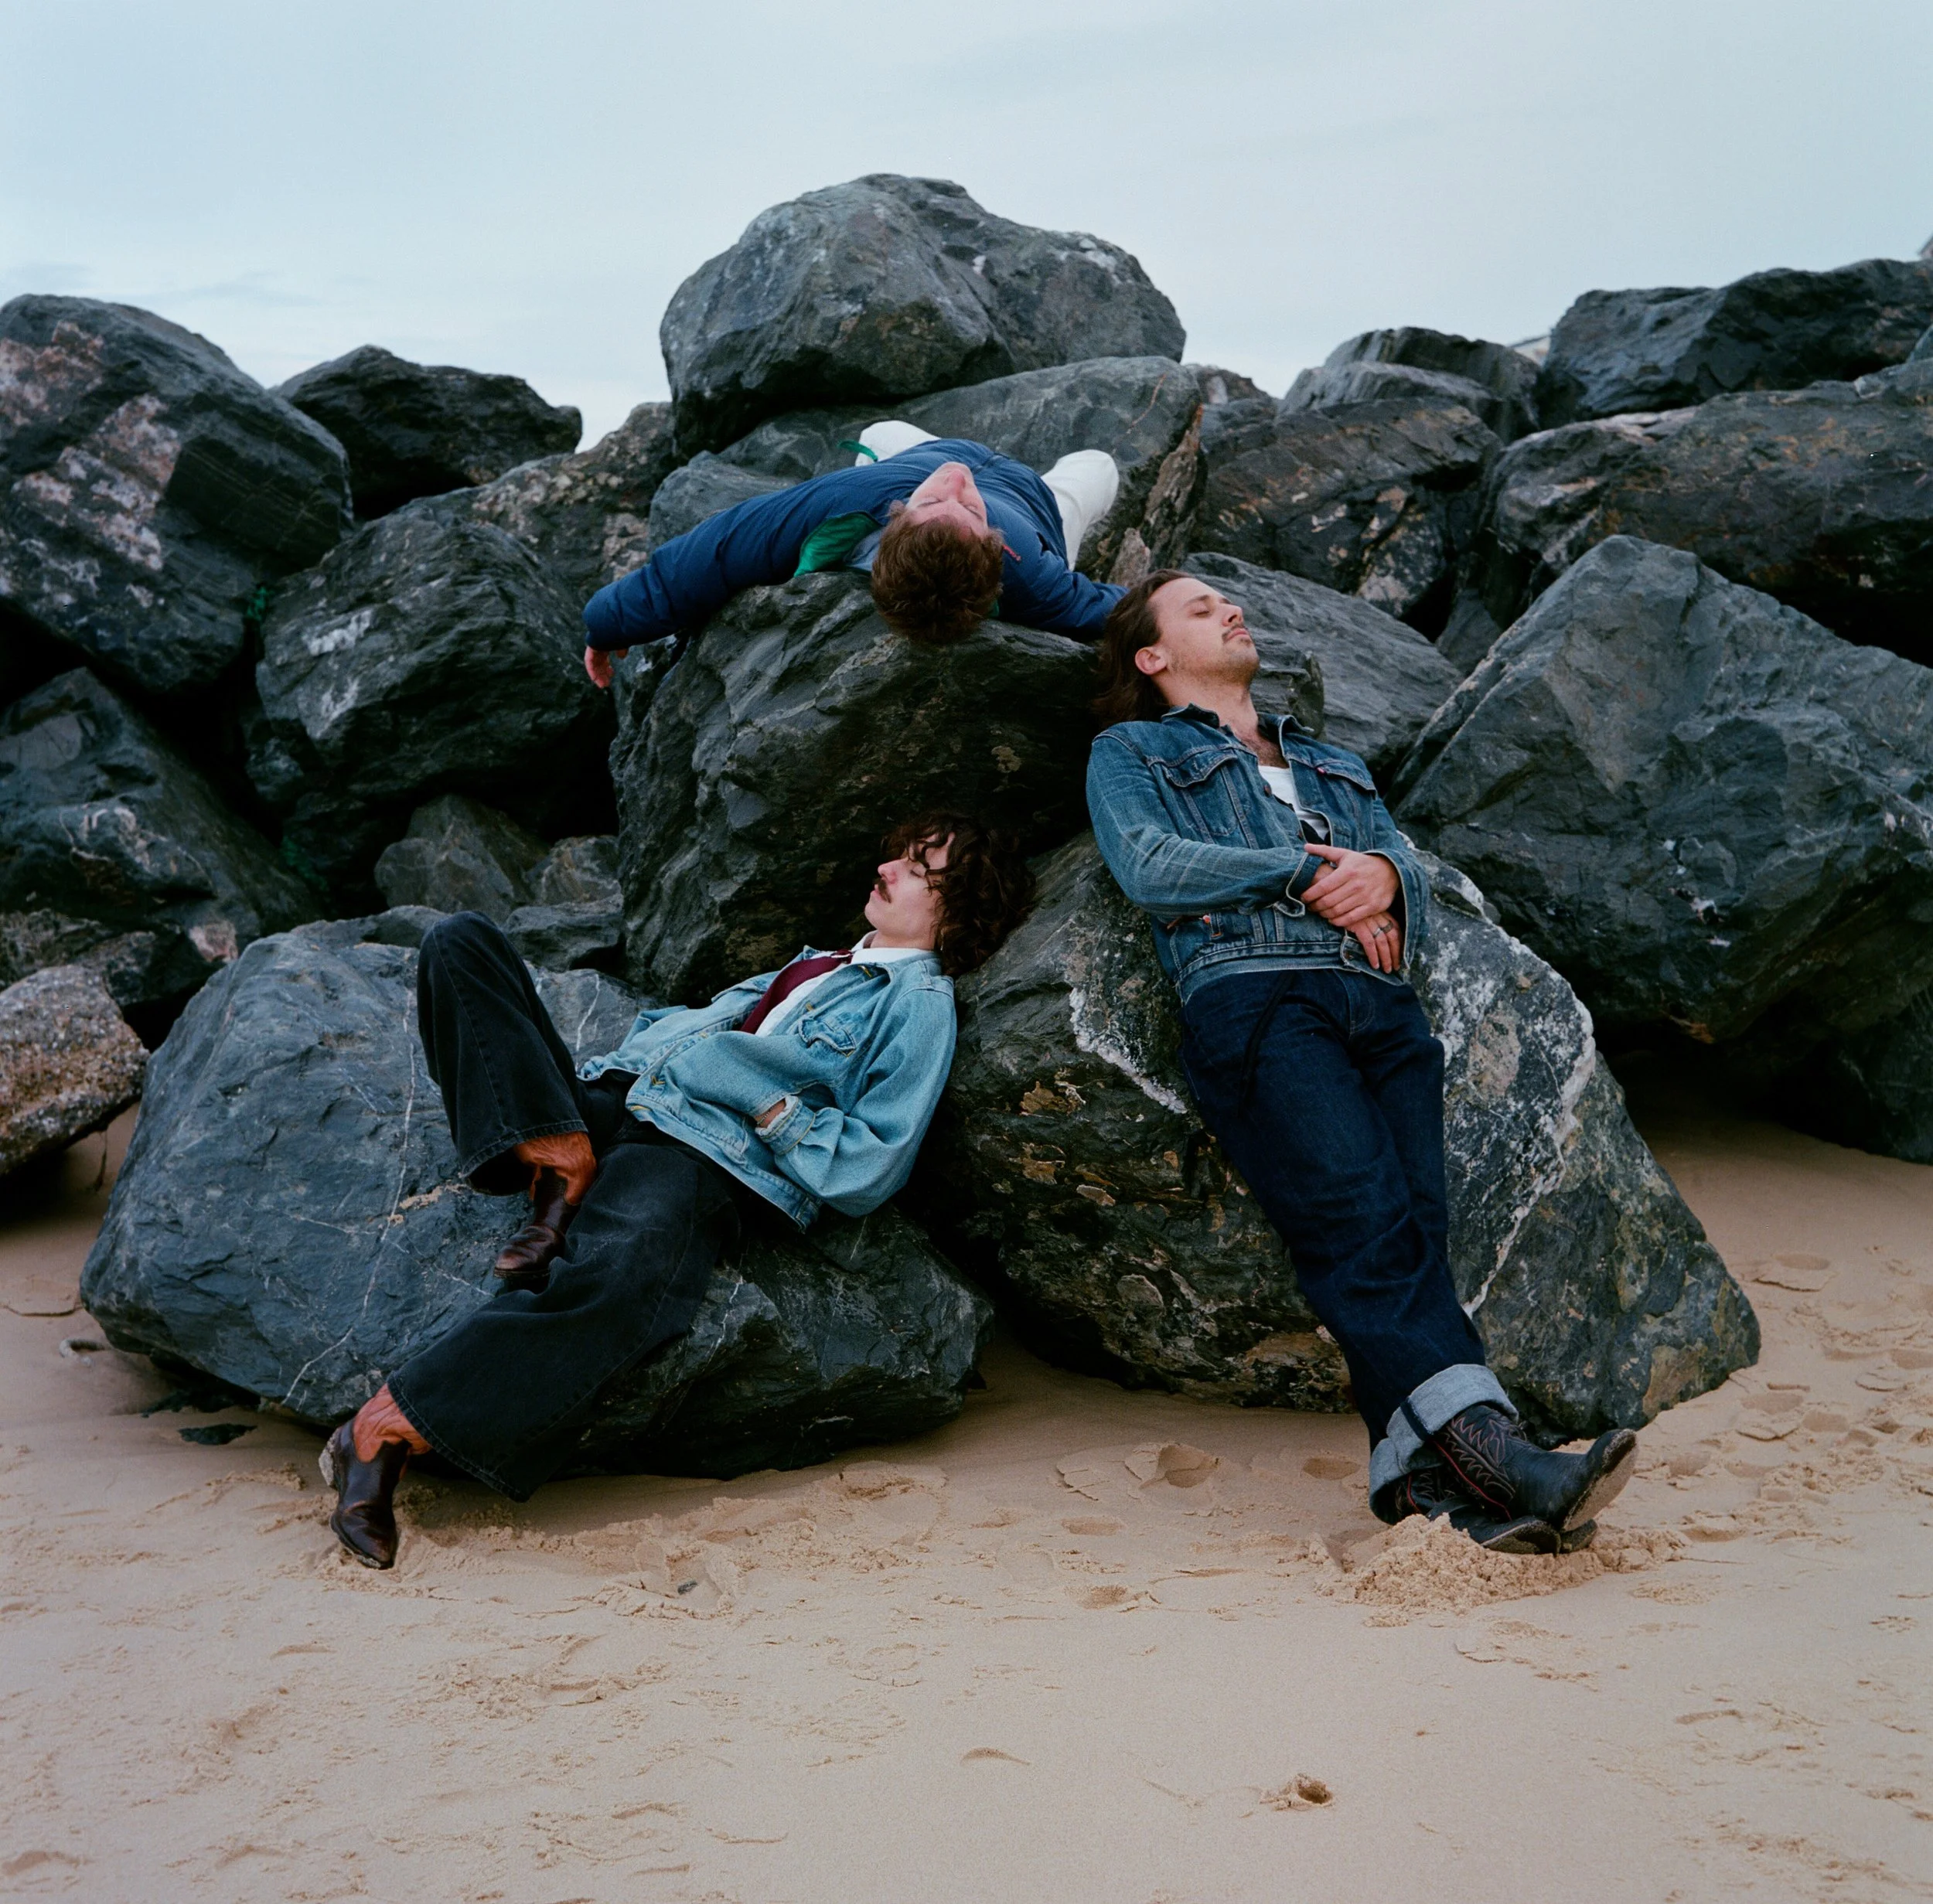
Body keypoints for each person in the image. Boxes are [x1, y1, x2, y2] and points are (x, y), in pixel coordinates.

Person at [1084, 570, 1639, 1552]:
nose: (1229, 610)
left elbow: (1401, 874)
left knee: (1414, 1236)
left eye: (1229, 599)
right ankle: (1502, 1454)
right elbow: (1147, 864)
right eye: (1201, 608)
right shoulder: (1133, 750)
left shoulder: (1332, 761)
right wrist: (1302, 872)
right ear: (1152, 657)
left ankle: (1429, 1493)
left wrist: (1385, 877)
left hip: (1381, 1009)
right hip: (1257, 996)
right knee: (1360, 1230)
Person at [321, 811, 1034, 1570]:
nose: (888, 869)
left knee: (618, 1282)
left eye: (921, 872)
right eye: (899, 855)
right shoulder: (818, 963)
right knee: (462, 942)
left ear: (956, 911)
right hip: (623, 1102)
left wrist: (772, 1109)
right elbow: (671, 1037)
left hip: (700, 1155)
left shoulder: (917, 1005)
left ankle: (387, 1427)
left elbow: (871, 1166)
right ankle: (559, 1156)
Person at [580, 424, 1123, 683]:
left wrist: (606, 621)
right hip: (1026, 497)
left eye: (942, 501)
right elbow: (1111, 607)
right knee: (1097, 464)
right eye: (961, 506)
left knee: (881, 432)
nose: (957, 486)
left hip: (934, 462)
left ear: (897, 515)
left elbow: (709, 555)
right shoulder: (1030, 570)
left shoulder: (838, 504)